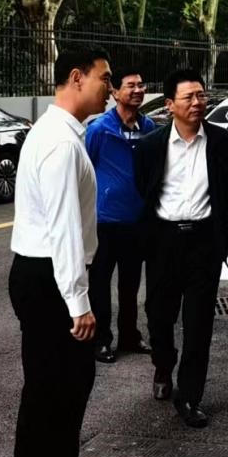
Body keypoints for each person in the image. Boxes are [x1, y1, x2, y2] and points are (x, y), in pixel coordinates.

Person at [7, 48, 118, 457]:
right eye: (104, 78)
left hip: (51, 275)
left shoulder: (66, 134)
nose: (110, 88)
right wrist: (78, 302)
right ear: (76, 77)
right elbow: (63, 229)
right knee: (48, 390)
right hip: (48, 278)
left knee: (73, 385)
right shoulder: (58, 142)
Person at [134, 69, 228, 428]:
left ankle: (190, 395)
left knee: (199, 323)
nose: (197, 103)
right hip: (164, 241)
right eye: (189, 97)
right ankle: (163, 364)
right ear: (169, 105)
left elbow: (226, 184)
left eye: (201, 95)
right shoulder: (150, 146)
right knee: (159, 316)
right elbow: (143, 189)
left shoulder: (221, 141)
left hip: (203, 242)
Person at [84, 67, 156, 363]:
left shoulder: (149, 126)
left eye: (141, 85)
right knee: (100, 283)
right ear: (114, 92)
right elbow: (86, 169)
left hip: (136, 221)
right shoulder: (99, 129)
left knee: (131, 283)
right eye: (130, 85)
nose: (138, 90)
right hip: (103, 222)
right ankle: (101, 340)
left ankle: (130, 335)